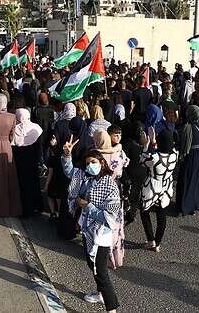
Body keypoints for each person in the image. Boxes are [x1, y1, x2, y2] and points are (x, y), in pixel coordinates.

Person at [62, 141, 120, 313]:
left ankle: (112, 308)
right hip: (88, 230)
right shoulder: (84, 177)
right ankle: (100, 294)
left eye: (93, 162)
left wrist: (87, 206)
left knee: (100, 271)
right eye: (88, 163)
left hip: (101, 233)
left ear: (102, 162)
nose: (90, 166)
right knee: (91, 263)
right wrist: (66, 155)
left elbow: (109, 217)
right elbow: (70, 172)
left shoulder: (109, 185)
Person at [92, 129, 129, 269]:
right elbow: (125, 165)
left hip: (99, 196)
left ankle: (103, 256)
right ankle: (117, 255)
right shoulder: (117, 154)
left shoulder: (95, 157)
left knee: (101, 226)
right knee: (116, 225)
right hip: (115, 194)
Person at [139, 130, 178, 252]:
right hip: (166, 185)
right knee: (162, 214)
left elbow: (142, 160)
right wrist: (155, 143)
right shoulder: (174, 155)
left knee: (144, 211)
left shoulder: (154, 157)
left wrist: (146, 146)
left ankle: (151, 239)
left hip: (152, 185)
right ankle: (158, 242)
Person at [12, 108, 44, 217]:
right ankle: (38, 207)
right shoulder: (36, 128)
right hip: (33, 163)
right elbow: (39, 149)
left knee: (23, 186)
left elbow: (13, 146)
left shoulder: (14, 130)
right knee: (34, 184)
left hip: (20, 163)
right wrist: (39, 161)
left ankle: (25, 210)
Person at [177, 105, 199, 215]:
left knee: (187, 179)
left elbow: (182, 145)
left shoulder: (186, 128)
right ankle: (196, 203)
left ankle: (184, 205)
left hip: (190, 156)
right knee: (197, 180)